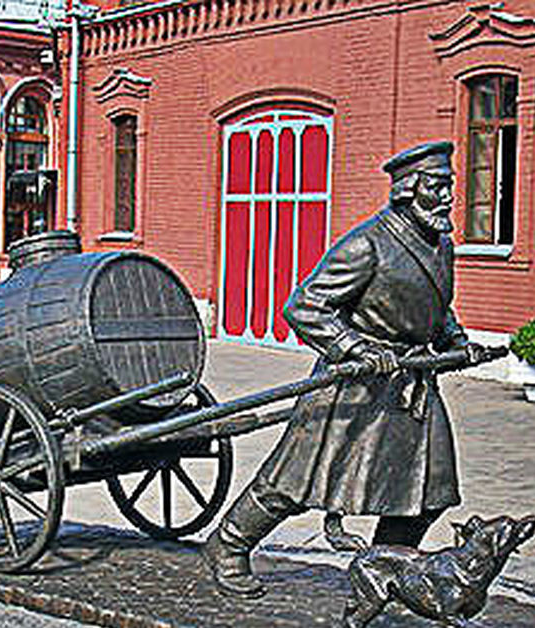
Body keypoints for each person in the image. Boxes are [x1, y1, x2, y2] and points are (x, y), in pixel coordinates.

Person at [202, 140, 487, 598]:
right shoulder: (367, 244)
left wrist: (455, 340)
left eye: (450, 185)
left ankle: (387, 568)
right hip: (353, 385)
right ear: (408, 190)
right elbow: (305, 306)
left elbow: (437, 305)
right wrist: (354, 347)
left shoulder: (439, 244)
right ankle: (229, 545)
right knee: (292, 482)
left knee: (427, 490)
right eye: (438, 186)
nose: (450, 196)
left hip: (410, 382)